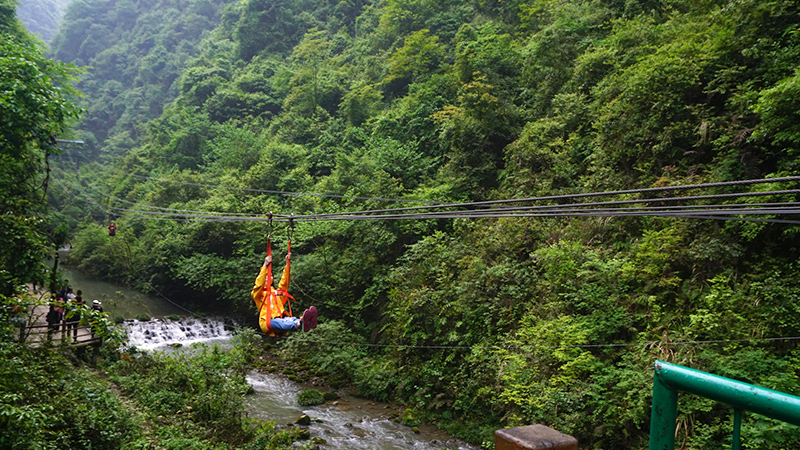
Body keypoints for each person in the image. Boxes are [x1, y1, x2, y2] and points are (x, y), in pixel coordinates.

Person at [251, 252, 317, 335]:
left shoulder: (275, 293)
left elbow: (284, 283)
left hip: (281, 318)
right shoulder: (257, 294)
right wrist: (265, 264)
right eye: (266, 276)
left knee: (291, 319)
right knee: (282, 322)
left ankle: (305, 322)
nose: (268, 277)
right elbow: (258, 284)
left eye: (270, 275)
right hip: (268, 321)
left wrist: (287, 264)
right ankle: (300, 323)